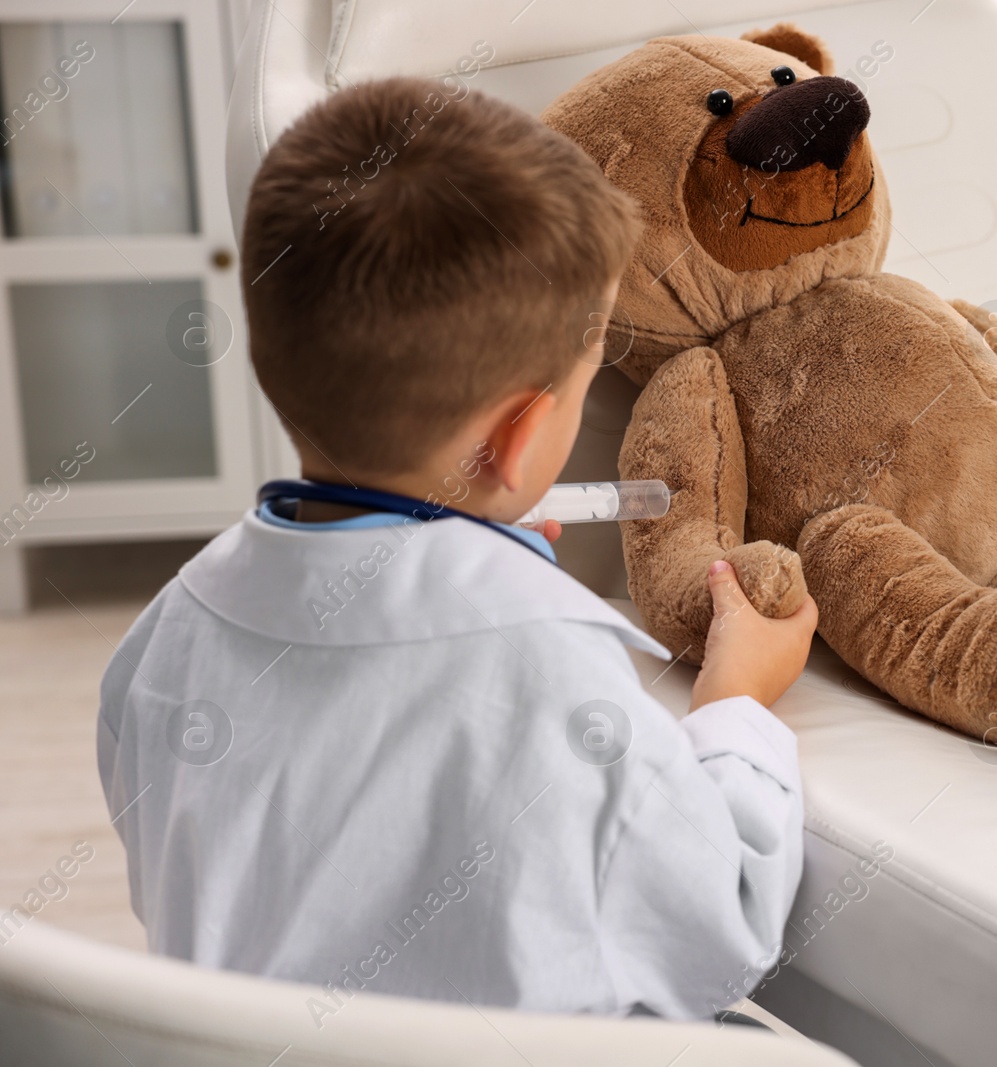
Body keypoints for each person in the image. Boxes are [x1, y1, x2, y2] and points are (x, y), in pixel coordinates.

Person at [97, 77, 817, 1022]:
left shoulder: (162, 637)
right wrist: (734, 708)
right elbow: (719, 927)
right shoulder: (559, 675)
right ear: (519, 440)